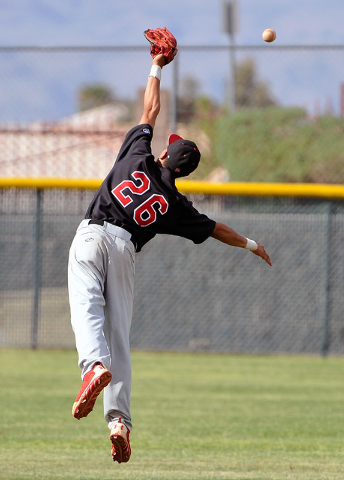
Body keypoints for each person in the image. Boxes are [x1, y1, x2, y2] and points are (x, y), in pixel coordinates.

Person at [68, 39, 272, 464]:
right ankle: (119, 422)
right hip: (125, 252)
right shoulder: (177, 206)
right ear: (184, 172)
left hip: (93, 236)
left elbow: (150, 111)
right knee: (119, 336)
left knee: (85, 307)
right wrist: (253, 245)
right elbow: (217, 230)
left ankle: (91, 367)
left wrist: (157, 65)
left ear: (165, 152)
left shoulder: (138, 154)